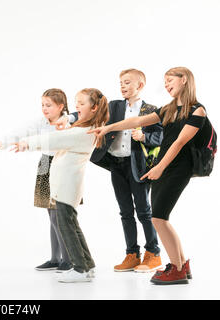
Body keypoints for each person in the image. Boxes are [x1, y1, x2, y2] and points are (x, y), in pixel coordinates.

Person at [88, 67, 208, 285]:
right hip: (165, 167)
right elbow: (136, 122)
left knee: (158, 217)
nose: (166, 84)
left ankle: (177, 269)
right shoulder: (170, 109)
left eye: (170, 80)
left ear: (184, 80)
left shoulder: (197, 110)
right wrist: (107, 129)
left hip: (178, 167)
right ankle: (180, 264)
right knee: (160, 218)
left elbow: (180, 142)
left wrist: (160, 167)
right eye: (164, 81)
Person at [11, 88, 109, 283]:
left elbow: (54, 140)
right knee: (73, 225)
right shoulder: (83, 128)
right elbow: (58, 140)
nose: (77, 107)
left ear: (94, 107)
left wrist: (26, 144)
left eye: (81, 103)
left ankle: (79, 269)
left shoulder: (83, 131)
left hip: (66, 187)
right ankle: (88, 265)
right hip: (67, 186)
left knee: (66, 226)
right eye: (77, 102)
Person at [0, 88, 78, 273]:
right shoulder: (41, 122)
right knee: (50, 214)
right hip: (46, 164)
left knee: (60, 215)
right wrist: (1, 143)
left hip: (62, 165)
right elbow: (22, 131)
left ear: (61, 106)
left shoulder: (68, 121)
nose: (44, 109)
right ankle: (56, 258)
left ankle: (69, 259)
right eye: (42, 105)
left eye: (49, 105)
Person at [89, 69, 162, 273]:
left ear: (140, 85)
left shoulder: (151, 110)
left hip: (137, 165)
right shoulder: (114, 106)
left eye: (127, 82)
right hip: (116, 165)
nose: (122, 86)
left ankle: (153, 254)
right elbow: (94, 114)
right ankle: (132, 254)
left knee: (144, 211)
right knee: (125, 212)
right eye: (120, 82)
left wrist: (145, 137)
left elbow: (162, 138)